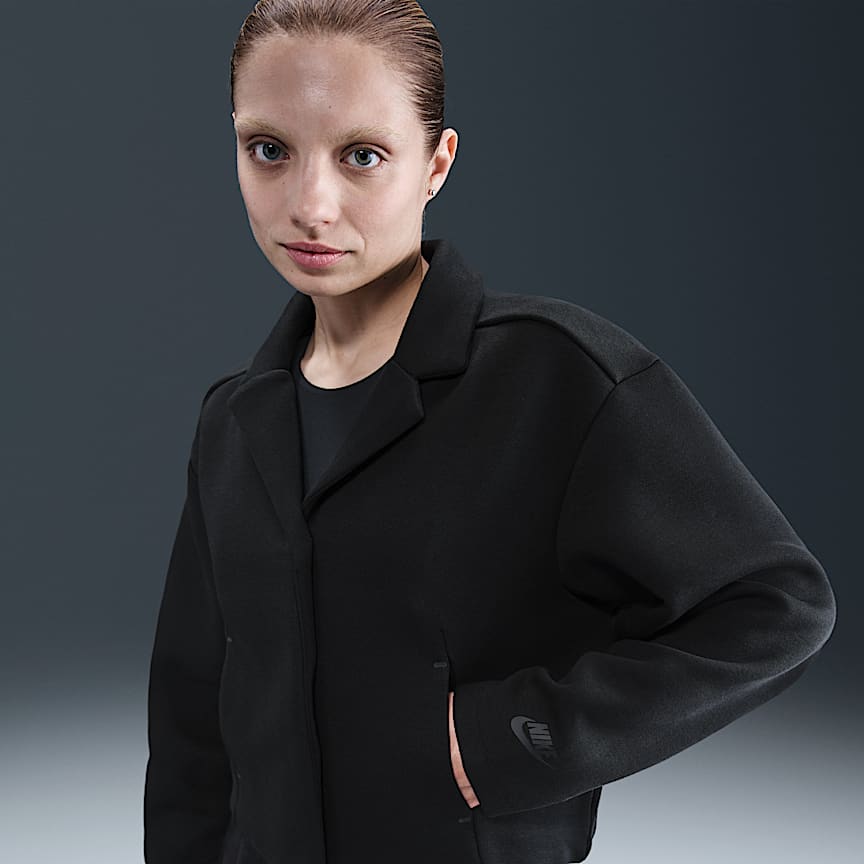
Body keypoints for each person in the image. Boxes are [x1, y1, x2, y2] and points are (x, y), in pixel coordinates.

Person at [143, 2, 837, 863]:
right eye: (269, 150)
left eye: (362, 155)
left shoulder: (555, 376)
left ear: (437, 163)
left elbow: (776, 606)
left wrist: (509, 737)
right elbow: (192, 730)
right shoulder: (231, 421)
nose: (310, 204)